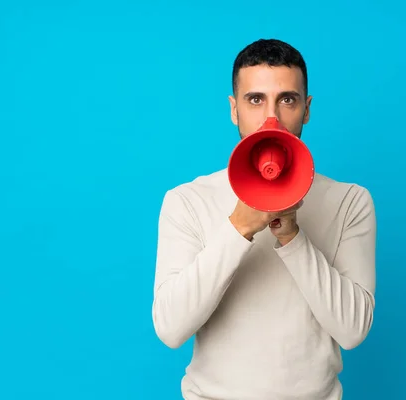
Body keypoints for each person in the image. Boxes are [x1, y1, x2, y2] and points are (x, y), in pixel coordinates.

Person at [151, 38, 377, 399]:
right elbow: (170, 329)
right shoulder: (187, 201)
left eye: (287, 99)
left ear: (306, 108)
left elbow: (352, 331)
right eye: (255, 100)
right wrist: (238, 228)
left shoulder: (350, 201)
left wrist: (292, 237)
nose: (271, 117)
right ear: (233, 109)